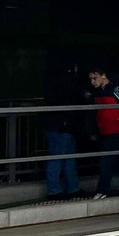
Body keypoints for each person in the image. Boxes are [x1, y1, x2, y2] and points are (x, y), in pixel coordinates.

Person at [86, 67, 119, 199]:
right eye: (91, 79)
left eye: (95, 77)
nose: (93, 81)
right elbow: (93, 114)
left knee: (109, 160)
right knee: (111, 160)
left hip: (118, 130)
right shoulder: (96, 93)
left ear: (103, 75)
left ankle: (104, 189)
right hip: (104, 131)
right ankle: (108, 187)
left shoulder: (117, 90)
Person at [43, 61, 81, 200]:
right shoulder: (64, 85)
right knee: (59, 158)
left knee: (64, 158)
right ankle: (55, 190)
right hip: (61, 125)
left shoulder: (52, 83)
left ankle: (71, 188)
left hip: (61, 125)